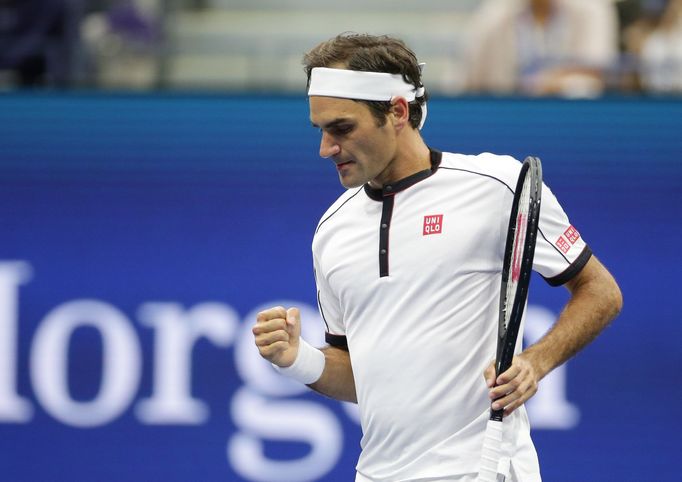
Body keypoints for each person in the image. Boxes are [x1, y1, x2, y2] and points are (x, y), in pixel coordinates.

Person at [252, 33, 622, 482]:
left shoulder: (499, 186)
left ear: (397, 112)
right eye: (322, 130)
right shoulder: (331, 231)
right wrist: (296, 358)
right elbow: (359, 376)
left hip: (485, 470)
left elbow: (600, 292)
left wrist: (535, 362)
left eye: (342, 128)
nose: (326, 148)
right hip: (375, 473)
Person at [465, 0, 619, 97]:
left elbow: (597, 66)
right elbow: (471, 80)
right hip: (508, 113)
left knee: (580, 86)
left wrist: (549, 81)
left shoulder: (593, 9)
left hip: (571, 114)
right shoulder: (492, 15)